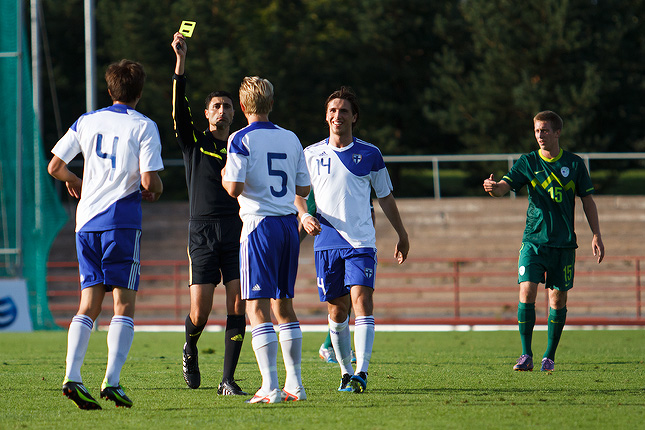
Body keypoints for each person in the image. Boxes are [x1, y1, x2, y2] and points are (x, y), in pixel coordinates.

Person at [48, 59, 164, 409]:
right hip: (121, 221)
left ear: (109, 89)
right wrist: (157, 186)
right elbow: (148, 181)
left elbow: (55, 166)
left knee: (88, 304)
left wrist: (76, 181)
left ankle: (72, 376)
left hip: (86, 223)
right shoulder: (144, 126)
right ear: (139, 92)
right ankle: (112, 382)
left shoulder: (87, 120)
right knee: (123, 304)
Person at [297, 86, 409, 393]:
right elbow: (299, 195)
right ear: (326, 117)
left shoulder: (370, 153)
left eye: (343, 111)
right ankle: (346, 372)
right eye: (332, 111)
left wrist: (402, 233)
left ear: (354, 117)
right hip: (326, 243)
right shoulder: (310, 154)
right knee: (337, 311)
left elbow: (385, 197)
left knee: (363, 301)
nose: (337, 116)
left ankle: (362, 371)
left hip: (361, 242)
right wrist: (303, 217)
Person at [482, 110, 604, 372]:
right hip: (533, 241)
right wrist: (495, 190)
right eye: (537, 130)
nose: (540, 135)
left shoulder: (573, 164)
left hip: (563, 244)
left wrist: (596, 234)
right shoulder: (528, 162)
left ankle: (549, 356)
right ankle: (525, 355)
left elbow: (588, 200)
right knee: (526, 290)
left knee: (557, 300)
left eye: (545, 130)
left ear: (558, 132)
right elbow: (505, 185)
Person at [222, 76, 311, 403]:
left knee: (256, 308)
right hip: (289, 226)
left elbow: (233, 188)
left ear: (243, 107)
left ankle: (270, 387)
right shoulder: (291, 138)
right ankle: (295, 385)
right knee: (284, 307)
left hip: (259, 226)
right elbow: (303, 190)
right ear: (271, 104)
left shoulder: (239, 138)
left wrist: (223, 176)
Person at [171, 32, 247, 395]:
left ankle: (227, 379)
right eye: (216, 106)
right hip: (201, 231)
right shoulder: (194, 142)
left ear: (235, 114)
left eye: (227, 107)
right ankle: (190, 346)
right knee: (200, 312)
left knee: (238, 303)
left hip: (236, 230)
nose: (222, 111)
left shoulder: (241, 147)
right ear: (206, 113)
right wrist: (180, 64)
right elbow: (177, 111)